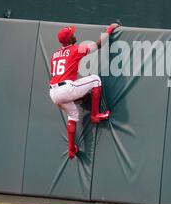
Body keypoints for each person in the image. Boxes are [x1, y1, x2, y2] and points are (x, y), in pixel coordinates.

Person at [49, 23, 120, 159]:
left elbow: (57, 75)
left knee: (73, 115)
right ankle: (95, 114)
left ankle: (71, 149)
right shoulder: (76, 49)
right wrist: (110, 29)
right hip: (66, 89)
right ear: (70, 39)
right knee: (95, 80)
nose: (74, 34)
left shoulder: (54, 55)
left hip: (53, 93)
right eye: (72, 34)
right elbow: (99, 44)